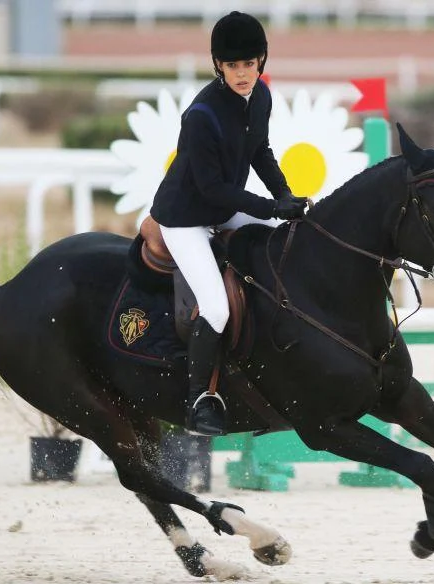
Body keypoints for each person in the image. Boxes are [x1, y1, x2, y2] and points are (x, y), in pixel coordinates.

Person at [149, 11, 307, 436]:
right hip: (185, 217)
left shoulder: (261, 97)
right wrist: (270, 208)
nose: (242, 73)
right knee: (216, 306)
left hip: (220, 207)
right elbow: (213, 189)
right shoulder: (202, 115)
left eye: (249, 64)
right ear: (218, 65)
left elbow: (261, 153)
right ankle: (201, 399)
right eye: (233, 66)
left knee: (283, 247)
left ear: (261, 62)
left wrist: (285, 197)